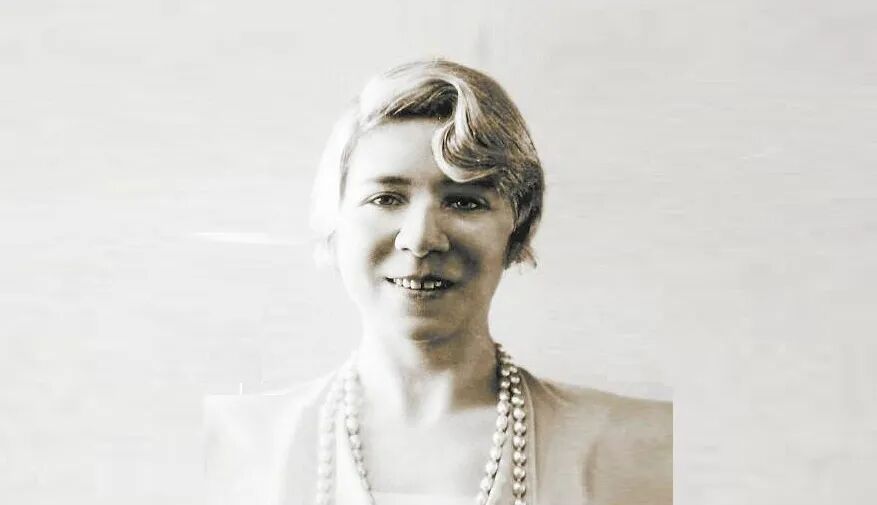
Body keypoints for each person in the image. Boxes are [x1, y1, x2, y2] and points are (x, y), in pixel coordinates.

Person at [204, 59, 672, 505]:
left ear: (518, 230)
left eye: (465, 202)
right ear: (335, 223)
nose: (421, 238)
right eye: (386, 198)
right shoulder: (232, 444)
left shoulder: (642, 449)